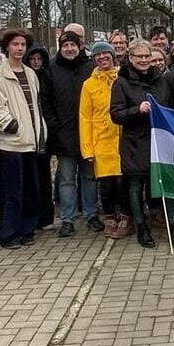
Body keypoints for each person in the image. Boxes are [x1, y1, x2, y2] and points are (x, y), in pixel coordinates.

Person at [110, 38, 174, 248]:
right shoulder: (121, 82)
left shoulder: (162, 80)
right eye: (139, 57)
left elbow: (173, 105)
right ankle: (142, 227)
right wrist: (137, 109)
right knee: (136, 186)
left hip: (160, 141)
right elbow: (115, 115)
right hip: (135, 143)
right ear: (131, 58)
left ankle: (173, 225)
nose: (144, 60)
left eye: (147, 56)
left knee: (168, 184)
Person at [0, 29, 47, 249]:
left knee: (31, 189)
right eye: (15, 44)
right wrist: (10, 126)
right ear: (7, 47)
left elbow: (36, 107)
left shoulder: (30, 73)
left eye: (22, 45)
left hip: (31, 141)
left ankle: (27, 229)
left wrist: (40, 132)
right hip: (11, 144)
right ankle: (9, 234)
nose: (19, 48)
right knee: (12, 192)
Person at [39, 31, 101, 237]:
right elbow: (46, 103)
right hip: (63, 135)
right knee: (66, 179)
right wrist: (55, 128)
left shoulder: (91, 68)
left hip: (89, 135)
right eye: (65, 46)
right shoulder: (51, 70)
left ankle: (91, 214)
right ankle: (67, 219)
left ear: (80, 46)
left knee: (89, 177)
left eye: (73, 45)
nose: (69, 49)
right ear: (60, 48)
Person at [80, 41, 131, 238]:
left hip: (123, 140)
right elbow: (84, 117)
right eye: (97, 55)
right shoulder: (89, 84)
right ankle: (110, 217)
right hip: (101, 142)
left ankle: (126, 217)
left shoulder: (123, 78)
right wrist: (88, 149)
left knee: (122, 182)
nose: (102, 58)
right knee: (107, 185)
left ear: (112, 56)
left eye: (105, 54)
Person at [26, 43, 55, 230]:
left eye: (39, 59)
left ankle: (46, 216)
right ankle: (32, 216)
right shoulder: (24, 77)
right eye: (33, 59)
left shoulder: (48, 76)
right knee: (31, 178)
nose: (36, 62)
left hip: (45, 133)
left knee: (44, 177)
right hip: (27, 134)